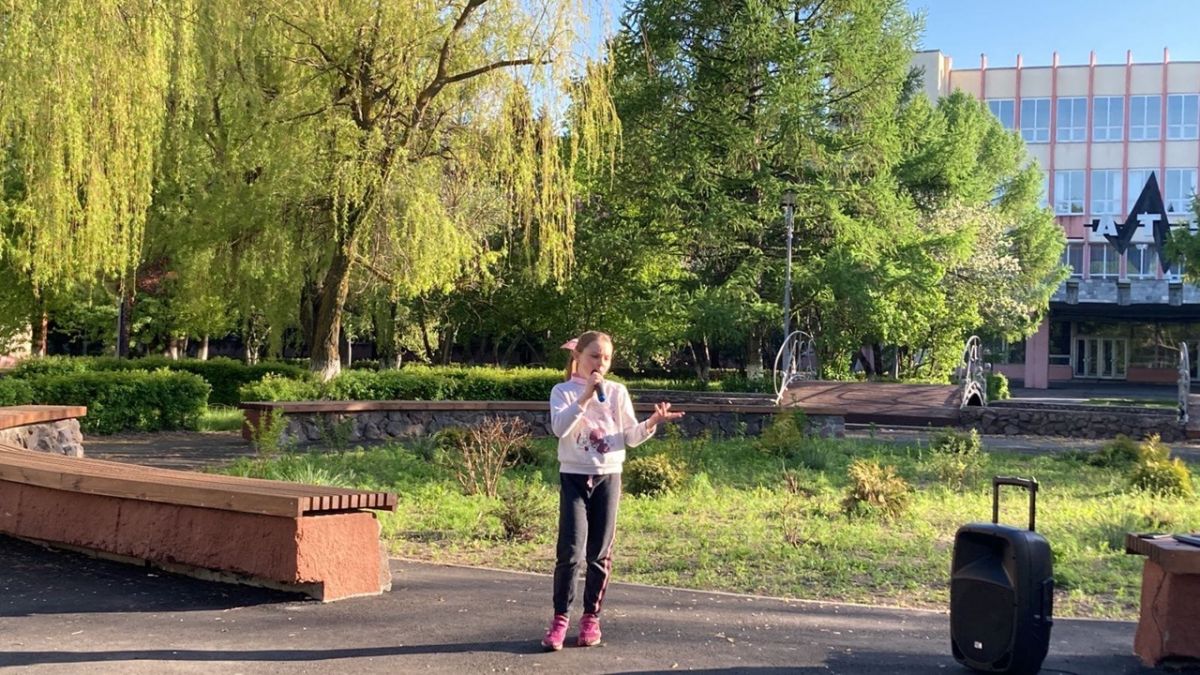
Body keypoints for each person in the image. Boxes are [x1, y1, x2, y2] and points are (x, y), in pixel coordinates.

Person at [540, 330, 685, 651]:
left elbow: (630, 437)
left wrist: (651, 422)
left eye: (606, 358)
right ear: (577, 356)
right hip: (574, 476)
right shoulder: (562, 391)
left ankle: (591, 618)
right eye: (594, 356)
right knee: (570, 552)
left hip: (608, 476)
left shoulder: (617, 392)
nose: (601, 363)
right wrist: (585, 397)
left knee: (599, 554)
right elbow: (560, 429)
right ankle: (560, 619)